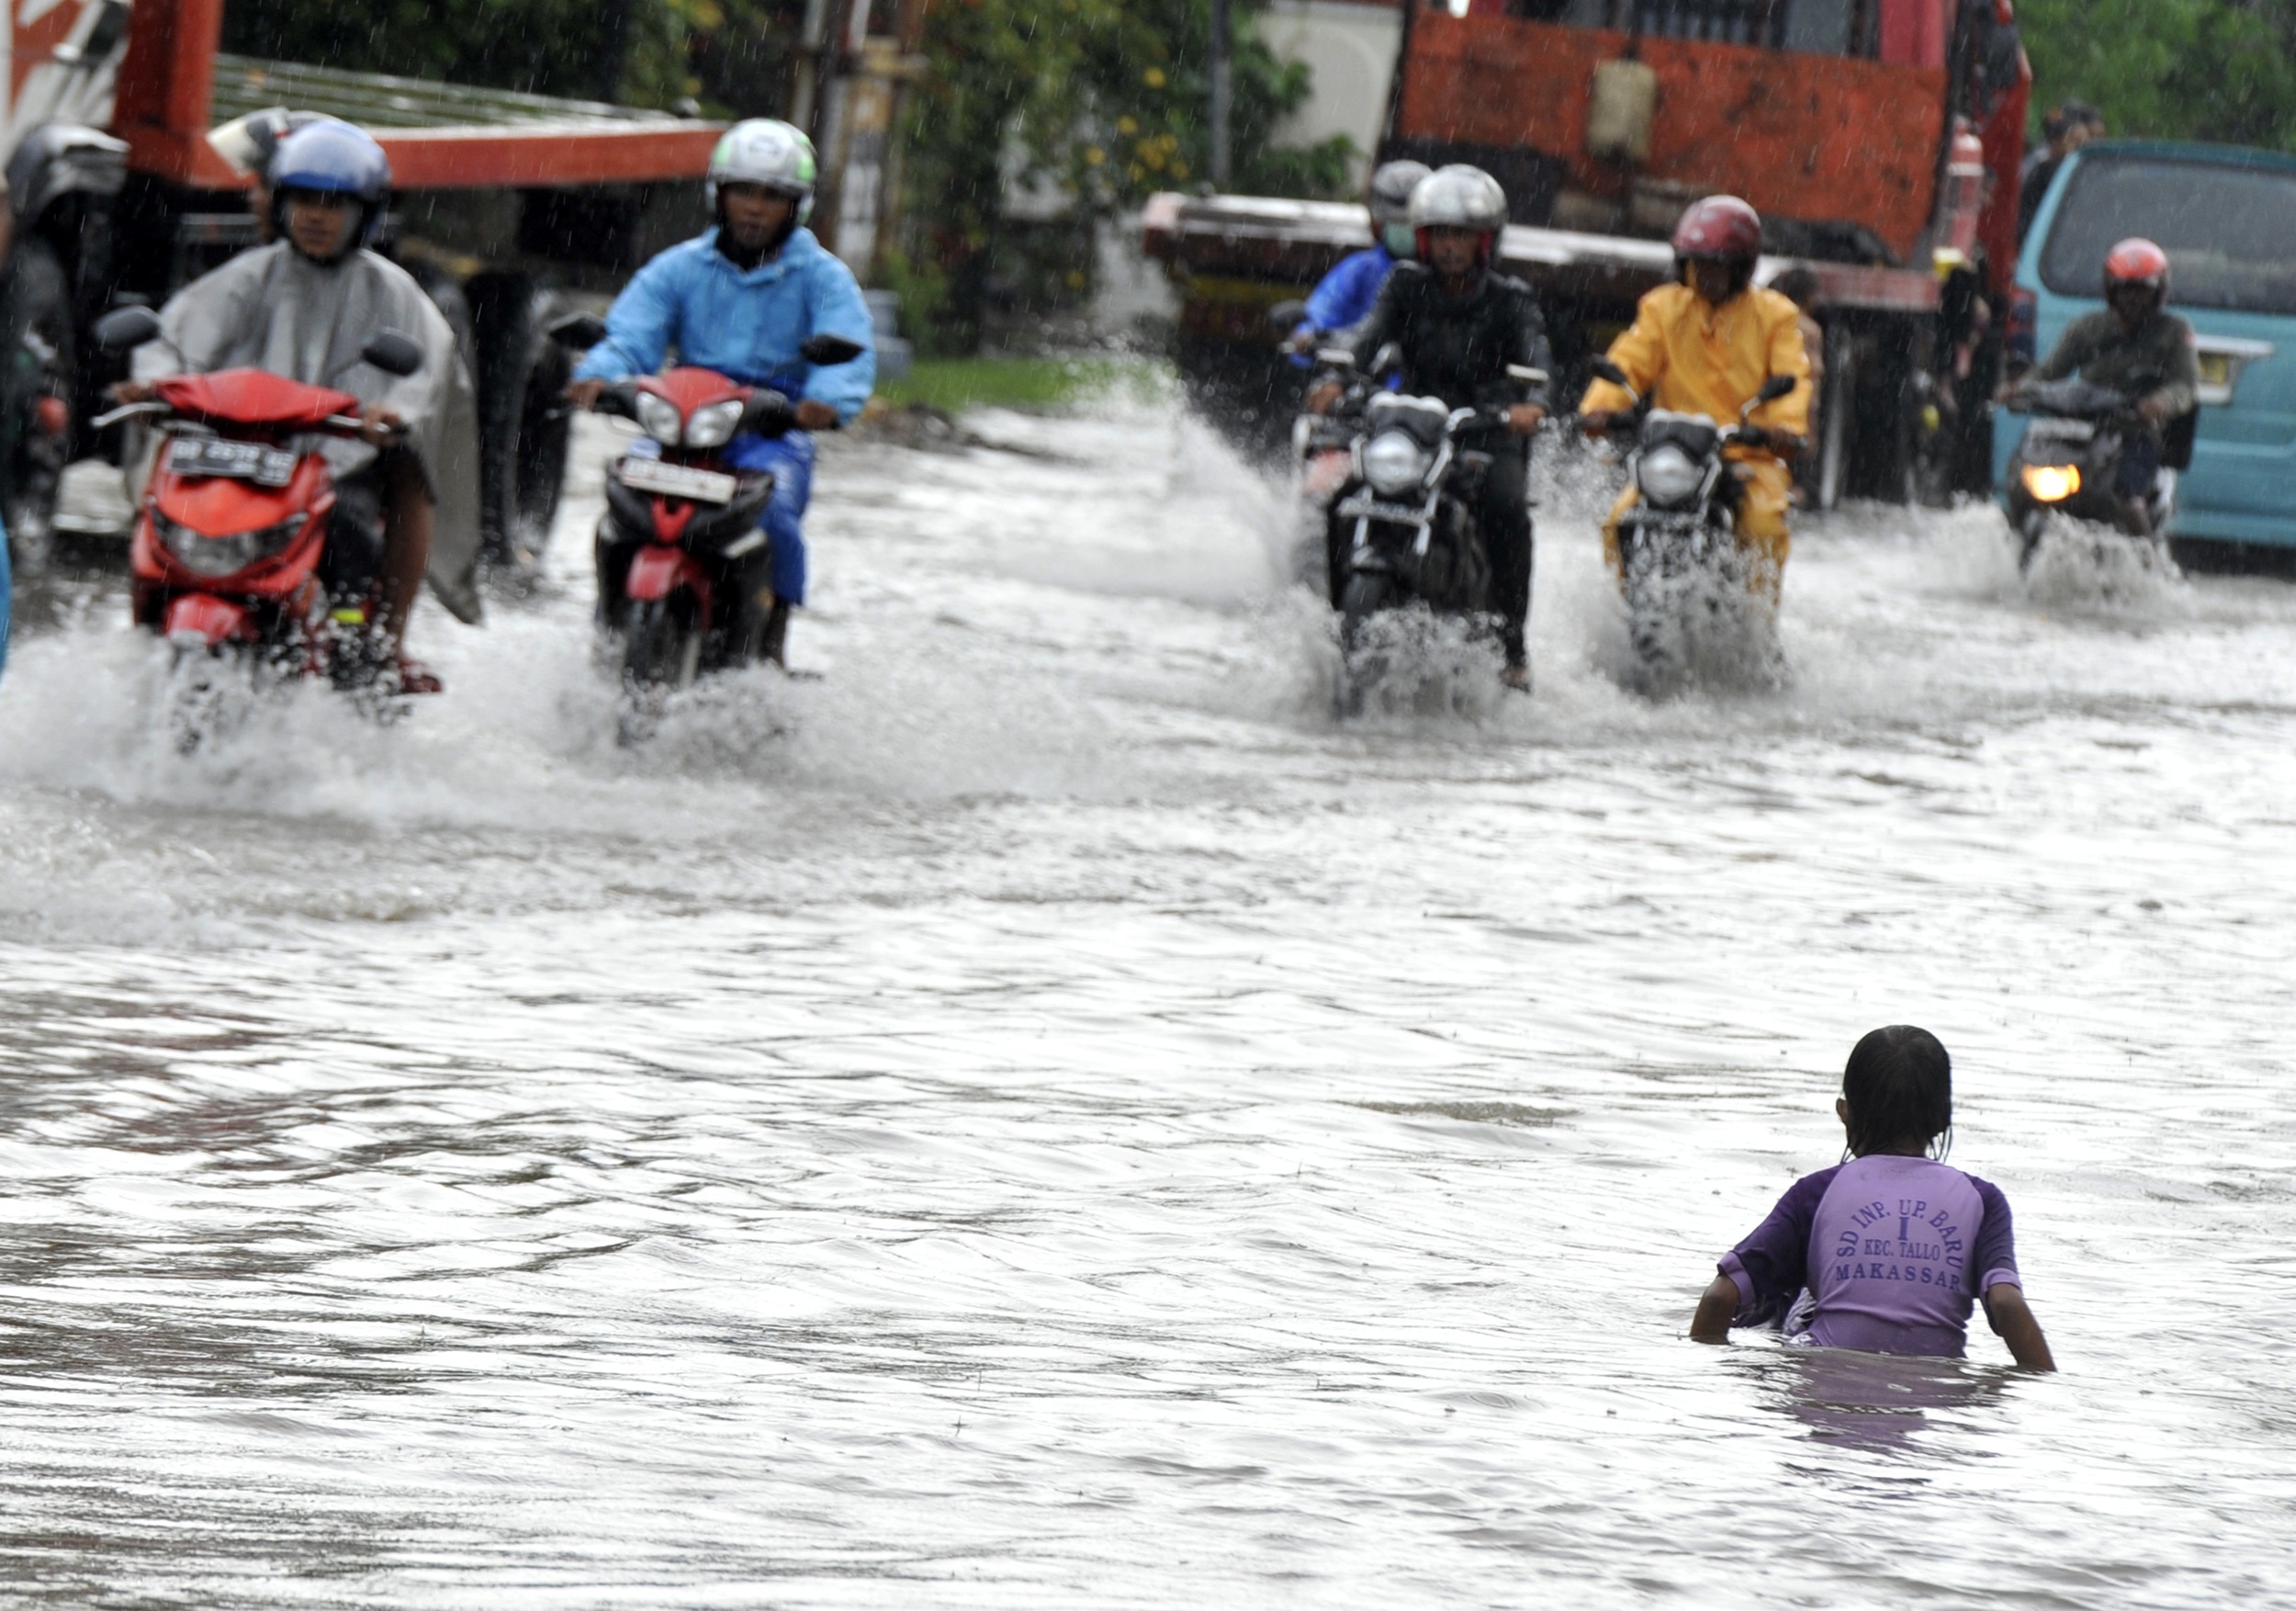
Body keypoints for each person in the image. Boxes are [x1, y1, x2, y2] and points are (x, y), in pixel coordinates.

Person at [120, 119, 483, 685]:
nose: (316, 216)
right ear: (281, 204)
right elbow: (177, 338)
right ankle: (151, 612)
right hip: (238, 449)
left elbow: (427, 369)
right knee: (166, 508)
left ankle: (374, 639)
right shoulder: (249, 276)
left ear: (365, 214)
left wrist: (393, 415)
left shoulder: (391, 290)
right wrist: (154, 384)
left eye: (334, 205)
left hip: (337, 457)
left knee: (372, 515)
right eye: (304, 201)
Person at [568, 118, 875, 668]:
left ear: (797, 206)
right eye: (744, 191)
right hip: (680, 419)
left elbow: (848, 349)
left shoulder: (823, 278)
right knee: (624, 501)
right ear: (719, 194)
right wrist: (601, 376)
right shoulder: (677, 268)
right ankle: (607, 629)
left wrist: (826, 402)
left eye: (772, 196)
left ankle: (770, 644)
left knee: (774, 513)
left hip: (771, 429)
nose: (755, 208)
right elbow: (630, 335)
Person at [1308, 164, 1551, 690]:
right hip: (1414, 426)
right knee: (1342, 498)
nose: (1449, 246)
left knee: (1506, 508)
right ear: (1423, 237)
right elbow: (1367, 336)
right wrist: (1336, 376)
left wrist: (1530, 404)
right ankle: (1337, 618)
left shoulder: (1511, 299)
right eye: (1440, 234)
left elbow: (1537, 358)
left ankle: (1513, 649)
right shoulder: (1404, 285)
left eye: (1461, 234)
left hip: (1485, 428)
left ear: (1485, 240)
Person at [1690, 1025, 2055, 1369]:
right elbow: (2006, 1302)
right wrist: (2045, 1388)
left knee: (1786, 1299)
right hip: (1935, 1399)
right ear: (1944, 1119)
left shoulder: (1816, 1193)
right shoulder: (1982, 1200)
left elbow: (1720, 1297)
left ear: (1844, 1113)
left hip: (1823, 1386)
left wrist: (1711, 1374)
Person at [1579, 195, 1809, 603]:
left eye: (1718, 264)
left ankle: (1755, 623)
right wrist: (1601, 407)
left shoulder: (1776, 315)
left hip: (1745, 454)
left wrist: (1784, 429)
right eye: (1697, 263)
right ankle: (1624, 612)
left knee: (1762, 527)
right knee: (1618, 520)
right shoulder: (1662, 307)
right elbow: (1630, 360)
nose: (1706, 274)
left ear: (1742, 267)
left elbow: (1793, 378)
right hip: (1673, 452)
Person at [2012, 237, 2197, 524]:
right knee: (2024, 476)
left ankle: (2145, 548)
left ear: (2158, 292)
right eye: (2126, 289)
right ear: (2112, 290)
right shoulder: (2088, 327)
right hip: (2081, 431)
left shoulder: (2174, 331)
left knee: (2129, 499)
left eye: (2142, 290)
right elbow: (2048, 372)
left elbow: (2185, 385)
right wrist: (2018, 391)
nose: (2133, 298)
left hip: (2135, 433)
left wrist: (2161, 402)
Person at [1284, 160, 1431, 358]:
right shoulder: (1361, 270)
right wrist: (1307, 336)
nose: (1404, 229)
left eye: (1411, 223)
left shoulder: (1445, 275)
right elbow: (1323, 313)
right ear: (1377, 221)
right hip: (1363, 371)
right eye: (1396, 221)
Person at [2016, 100, 2104, 246]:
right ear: (2055, 142)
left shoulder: (2065, 169)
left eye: (2084, 143)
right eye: (2075, 142)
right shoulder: (2050, 171)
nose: (2081, 149)